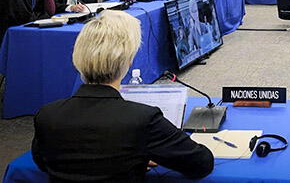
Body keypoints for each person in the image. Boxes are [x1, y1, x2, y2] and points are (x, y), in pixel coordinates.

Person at [31, 10, 214, 182]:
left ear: (78, 58)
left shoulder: (47, 115)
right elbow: (202, 164)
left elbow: (42, 162)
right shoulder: (143, 119)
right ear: (128, 61)